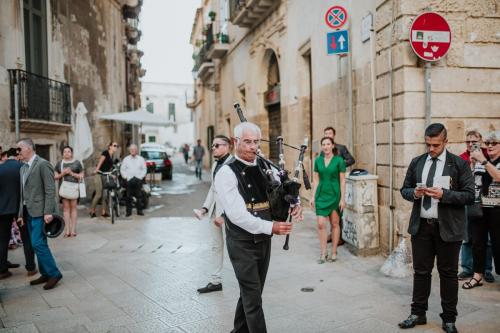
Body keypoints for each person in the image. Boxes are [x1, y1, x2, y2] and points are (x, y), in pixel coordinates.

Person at [215, 122, 302, 333]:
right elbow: (237, 216)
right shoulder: (226, 173)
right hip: (242, 242)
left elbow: (284, 189)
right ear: (236, 142)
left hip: (263, 241)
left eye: (256, 142)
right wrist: (271, 227)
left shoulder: (265, 166)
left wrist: (295, 203)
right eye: (247, 142)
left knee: (251, 293)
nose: (253, 147)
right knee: (253, 299)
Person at [399, 123, 474, 333]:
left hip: (448, 228)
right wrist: (414, 193)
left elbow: (470, 196)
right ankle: (417, 313)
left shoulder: (458, 164)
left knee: (448, 274)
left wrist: (445, 195)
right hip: (422, 227)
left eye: (435, 145)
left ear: (445, 142)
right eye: (428, 144)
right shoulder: (417, 162)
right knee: (420, 272)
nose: (431, 149)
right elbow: (403, 189)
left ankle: (449, 319)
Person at [16, 138, 63, 290]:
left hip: (41, 213)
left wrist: (48, 212)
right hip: (28, 212)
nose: (18, 152)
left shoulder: (43, 164)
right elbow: (22, 194)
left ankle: (54, 273)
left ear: (29, 148)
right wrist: (20, 214)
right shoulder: (22, 168)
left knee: (37, 243)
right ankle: (46, 273)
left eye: (19, 149)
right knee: (38, 244)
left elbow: (50, 190)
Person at [462, 131, 500, 290]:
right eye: (488, 143)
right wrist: (471, 164)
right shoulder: (479, 160)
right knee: (477, 242)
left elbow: (498, 177)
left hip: (497, 209)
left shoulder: (486, 160)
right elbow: (470, 181)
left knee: (498, 243)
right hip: (479, 207)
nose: (490, 146)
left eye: (494, 143)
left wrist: (483, 161)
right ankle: (477, 276)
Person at [195, 135, 233, 294]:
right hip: (214, 213)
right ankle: (215, 280)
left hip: (230, 215)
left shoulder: (234, 165)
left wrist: (223, 215)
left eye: (217, 145)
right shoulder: (215, 165)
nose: (213, 148)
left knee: (236, 248)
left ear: (227, 146)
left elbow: (235, 194)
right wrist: (205, 208)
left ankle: (248, 282)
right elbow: (213, 188)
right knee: (216, 247)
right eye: (212, 145)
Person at [311, 137, 346, 263]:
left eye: (328, 144)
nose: (325, 146)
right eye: (323, 144)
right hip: (321, 194)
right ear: (321, 146)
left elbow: (342, 181)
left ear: (332, 146)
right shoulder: (318, 161)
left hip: (335, 194)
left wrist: (342, 199)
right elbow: (316, 179)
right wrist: (313, 196)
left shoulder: (339, 160)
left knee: (335, 223)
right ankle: (323, 252)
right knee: (321, 224)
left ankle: (334, 251)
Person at [323, 126, 354, 246]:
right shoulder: (324, 150)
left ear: (334, 135)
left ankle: (339, 236)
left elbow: (351, 160)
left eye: (330, 133)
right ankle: (333, 233)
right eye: (326, 133)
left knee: (338, 210)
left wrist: (340, 165)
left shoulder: (341, 148)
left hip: (339, 181)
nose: (328, 135)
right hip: (328, 183)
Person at [0, 148, 23, 279]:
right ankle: (31, 266)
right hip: (19, 208)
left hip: (3, 209)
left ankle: (3, 267)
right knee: (25, 236)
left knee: (2, 239)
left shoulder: (1, 168)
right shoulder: (22, 167)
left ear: (6, 155)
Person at [54, 146, 84, 237]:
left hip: (74, 188)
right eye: (65, 152)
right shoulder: (59, 163)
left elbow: (82, 175)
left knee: (74, 209)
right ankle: (67, 230)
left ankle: (73, 230)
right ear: (62, 153)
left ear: (72, 153)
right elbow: (55, 177)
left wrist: (71, 173)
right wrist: (63, 173)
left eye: (68, 151)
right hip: (64, 189)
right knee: (66, 209)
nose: (67, 153)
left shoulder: (77, 163)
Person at [90, 142, 118, 218]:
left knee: (105, 195)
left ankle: (103, 212)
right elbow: (100, 162)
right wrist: (96, 170)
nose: (116, 147)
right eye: (114, 145)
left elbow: (107, 169)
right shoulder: (105, 153)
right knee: (98, 194)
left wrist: (112, 175)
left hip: (105, 175)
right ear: (110, 146)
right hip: (98, 175)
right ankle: (92, 211)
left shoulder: (112, 156)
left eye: (117, 146)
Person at [120, 144, 147, 217]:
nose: (133, 151)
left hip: (138, 179)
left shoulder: (141, 159)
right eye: (131, 150)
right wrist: (125, 177)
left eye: (134, 149)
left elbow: (144, 169)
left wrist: (140, 177)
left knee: (139, 196)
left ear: (136, 150)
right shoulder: (126, 159)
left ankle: (140, 211)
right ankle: (128, 212)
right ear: (129, 151)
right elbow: (122, 169)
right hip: (129, 180)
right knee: (128, 197)